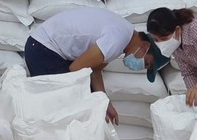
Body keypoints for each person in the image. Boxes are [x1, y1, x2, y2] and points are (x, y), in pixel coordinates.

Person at [23, 7, 170, 123]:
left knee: (77, 106)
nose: (140, 67)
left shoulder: (123, 37)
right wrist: (92, 105)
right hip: (44, 49)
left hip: (49, 49)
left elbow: (95, 70)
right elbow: (75, 70)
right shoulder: (117, 39)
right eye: (146, 63)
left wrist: (104, 103)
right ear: (144, 46)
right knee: (64, 113)